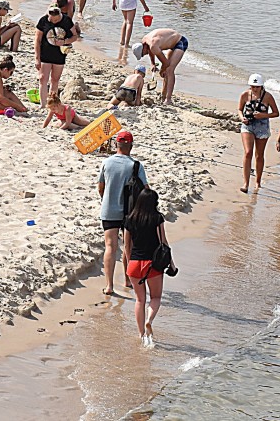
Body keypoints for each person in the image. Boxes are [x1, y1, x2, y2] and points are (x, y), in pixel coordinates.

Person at [96, 130, 147, 296]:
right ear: (130, 146)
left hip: (109, 209)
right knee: (128, 247)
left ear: (116, 145)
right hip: (129, 212)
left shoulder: (106, 162)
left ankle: (109, 286)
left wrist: (107, 199)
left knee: (110, 247)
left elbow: (100, 188)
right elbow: (146, 191)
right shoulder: (136, 165)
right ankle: (127, 280)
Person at [124, 187, 173, 348]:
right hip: (152, 264)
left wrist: (131, 263)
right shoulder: (157, 218)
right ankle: (149, 321)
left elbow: (126, 247)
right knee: (156, 297)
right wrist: (171, 263)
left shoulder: (130, 219)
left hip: (135, 264)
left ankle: (141, 334)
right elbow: (163, 243)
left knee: (139, 299)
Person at [238, 74, 279, 193]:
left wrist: (263, 115)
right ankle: (246, 183)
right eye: (252, 86)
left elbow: (276, 113)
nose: (254, 89)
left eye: (257, 87)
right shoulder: (245, 95)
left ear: (261, 86)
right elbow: (240, 109)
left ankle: (258, 181)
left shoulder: (268, 97)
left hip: (262, 126)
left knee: (259, 155)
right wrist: (242, 118)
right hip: (248, 125)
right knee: (248, 152)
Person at [35, 4, 77, 108]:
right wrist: (37, 58)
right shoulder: (43, 21)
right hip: (45, 53)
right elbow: (37, 40)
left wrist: (65, 41)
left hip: (59, 54)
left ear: (60, 15)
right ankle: (43, 104)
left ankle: (51, 104)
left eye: (56, 20)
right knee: (42, 78)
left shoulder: (66, 21)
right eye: (51, 20)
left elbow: (75, 36)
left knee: (55, 79)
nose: (53, 22)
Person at [132, 28, 189, 102]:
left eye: (143, 54)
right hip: (172, 42)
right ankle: (163, 95)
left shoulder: (153, 46)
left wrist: (161, 70)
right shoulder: (145, 41)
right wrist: (153, 63)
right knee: (166, 71)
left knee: (169, 70)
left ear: (143, 48)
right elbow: (150, 50)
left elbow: (166, 63)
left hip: (180, 41)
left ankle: (168, 99)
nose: (145, 54)